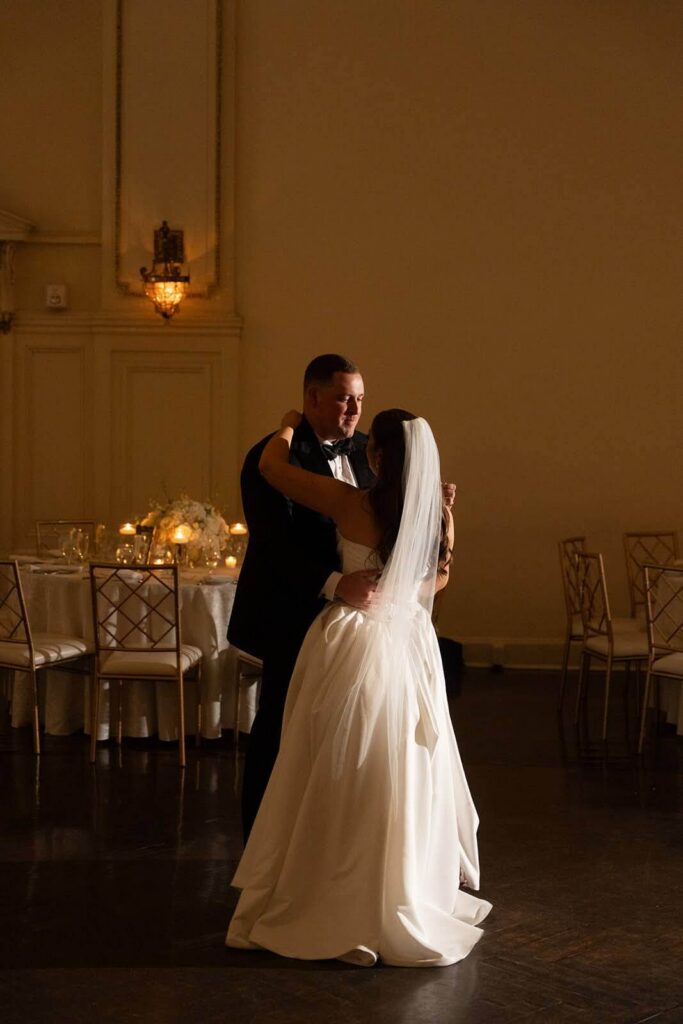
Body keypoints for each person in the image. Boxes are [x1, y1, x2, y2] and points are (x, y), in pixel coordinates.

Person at [226, 408, 491, 967]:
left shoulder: (351, 503)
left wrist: (286, 425)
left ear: (375, 456)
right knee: (403, 762)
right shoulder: (433, 514)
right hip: (410, 639)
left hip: (353, 638)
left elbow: (273, 469)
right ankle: (403, 884)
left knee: (331, 761)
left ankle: (328, 891)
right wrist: (448, 515)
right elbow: (437, 581)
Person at [228, 355, 377, 840]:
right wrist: (336, 585)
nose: (353, 409)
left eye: (358, 398)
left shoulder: (371, 452)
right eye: (342, 397)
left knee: (342, 729)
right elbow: (275, 544)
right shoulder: (271, 456)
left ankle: (324, 840)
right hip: (293, 610)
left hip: (357, 623)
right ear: (311, 398)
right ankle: (260, 844)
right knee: (279, 723)